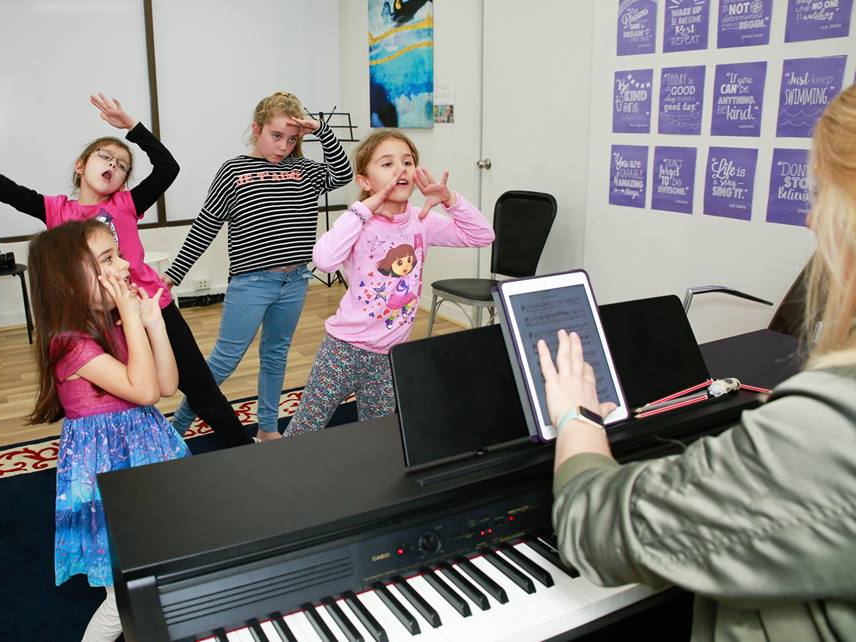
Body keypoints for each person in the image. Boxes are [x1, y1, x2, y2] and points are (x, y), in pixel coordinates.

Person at [538, 84, 856, 641]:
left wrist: (577, 420)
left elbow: (601, 529)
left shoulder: (830, 433)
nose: (811, 221)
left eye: (822, 194)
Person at [0, 94, 252, 448]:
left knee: (200, 388)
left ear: (123, 182)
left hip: (151, 307)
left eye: (122, 165)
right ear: (81, 166)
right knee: (120, 395)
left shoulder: (128, 203)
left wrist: (131, 127)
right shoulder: (55, 209)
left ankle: (244, 447)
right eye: (105, 157)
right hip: (96, 319)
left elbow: (168, 168)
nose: (114, 164)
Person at [25, 220, 189, 641]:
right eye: (109, 259)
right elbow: (145, 390)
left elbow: (168, 386)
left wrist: (152, 323)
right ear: (70, 279)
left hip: (144, 461)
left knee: (158, 573)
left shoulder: (113, 326)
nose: (124, 266)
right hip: (108, 482)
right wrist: (132, 318)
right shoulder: (71, 345)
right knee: (121, 602)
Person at [163, 92, 353, 441]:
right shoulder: (235, 170)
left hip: (295, 280)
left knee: (276, 354)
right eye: (276, 136)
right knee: (224, 361)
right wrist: (173, 275)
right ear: (257, 129)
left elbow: (343, 174)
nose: (283, 146)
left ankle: (267, 428)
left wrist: (322, 130)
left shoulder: (305, 170)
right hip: (252, 283)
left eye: (292, 139)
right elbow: (206, 225)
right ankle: (174, 429)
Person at [285, 129, 495, 436]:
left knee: (379, 435)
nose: (401, 170)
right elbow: (324, 260)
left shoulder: (422, 221)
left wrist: (450, 200)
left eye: (407, 162)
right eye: (387, 164)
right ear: (364, 181)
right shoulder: (357, 222)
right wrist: (362, 209)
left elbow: (482, 235)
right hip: (343, 350)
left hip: (390, 355)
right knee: (304, 429)